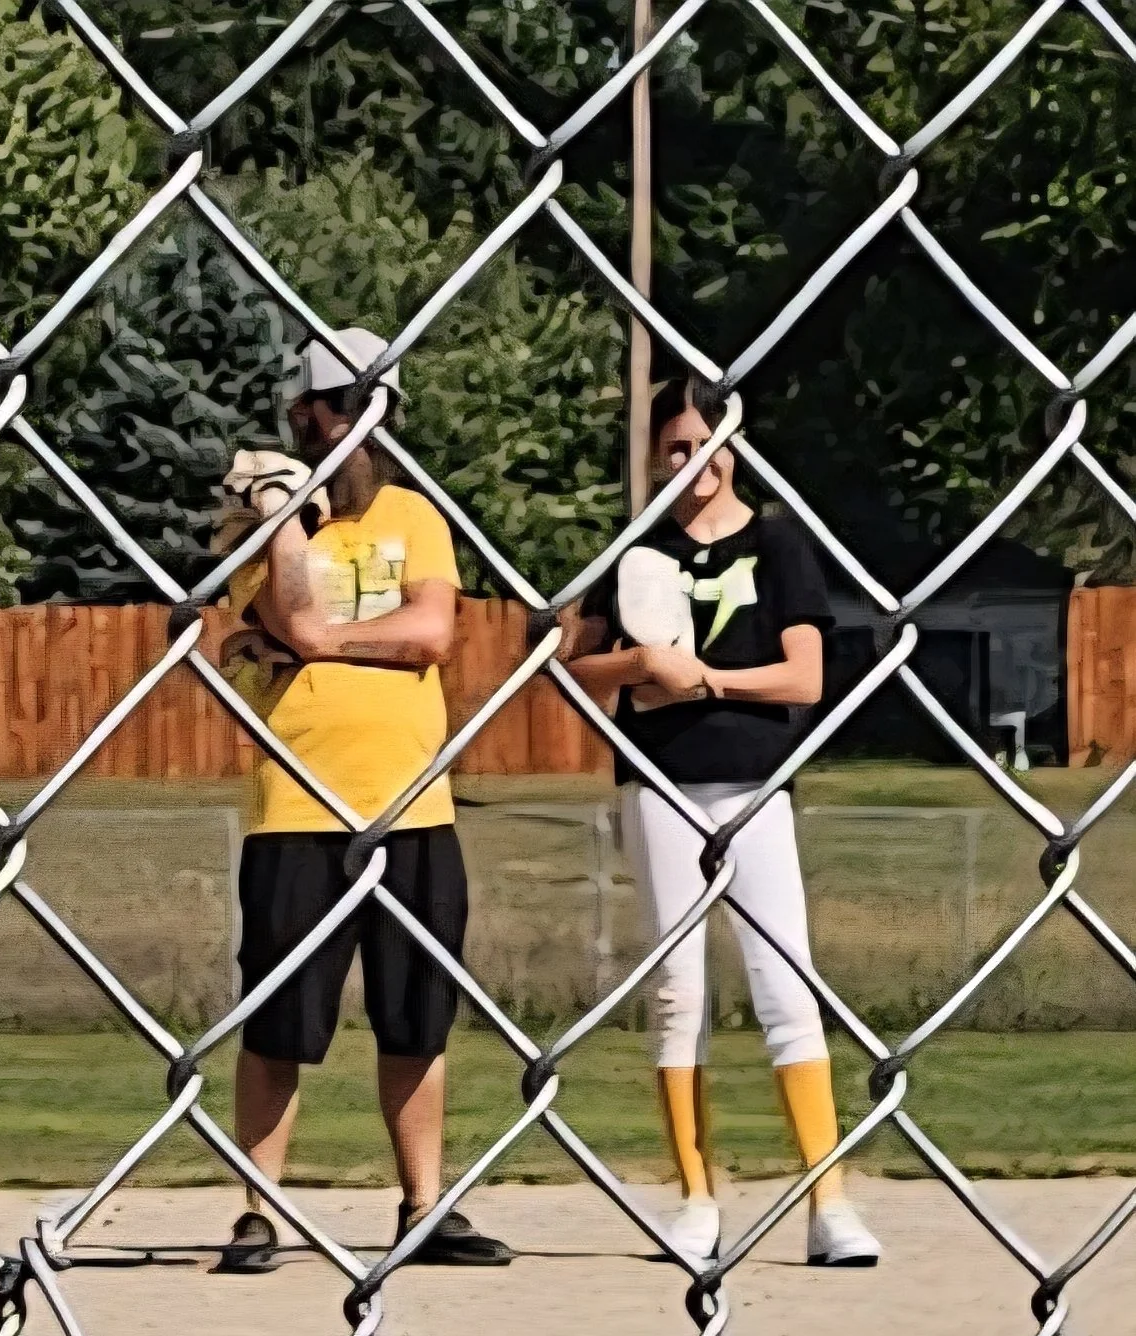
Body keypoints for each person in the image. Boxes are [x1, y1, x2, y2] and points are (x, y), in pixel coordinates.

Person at [215, 326, 514, 1271]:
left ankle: (423, 1204)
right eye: (342, 406)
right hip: (298, 812)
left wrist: (320, 644)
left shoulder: (417, 517)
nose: (359, 428)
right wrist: (281, 514)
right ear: (308, 415)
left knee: (415, 1017)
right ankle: (258, 1212)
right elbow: (291, 608)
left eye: (374, 410)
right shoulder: (265, 529)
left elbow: (431, 633)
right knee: (280, 1022)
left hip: (413, 808)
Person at [567, 375, 881, 1267]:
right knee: (680, 992)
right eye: (673, 446)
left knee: (786, 985)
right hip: (660, 784)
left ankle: (828, 1204)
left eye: (704, 442)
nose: (690, 461)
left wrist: (702, 680)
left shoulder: (778, 544)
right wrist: (639, 662)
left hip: (755, 784)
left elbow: (806, 679)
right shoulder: (637, 550)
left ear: (732, 447)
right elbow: (570, 668)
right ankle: (697, 1198)